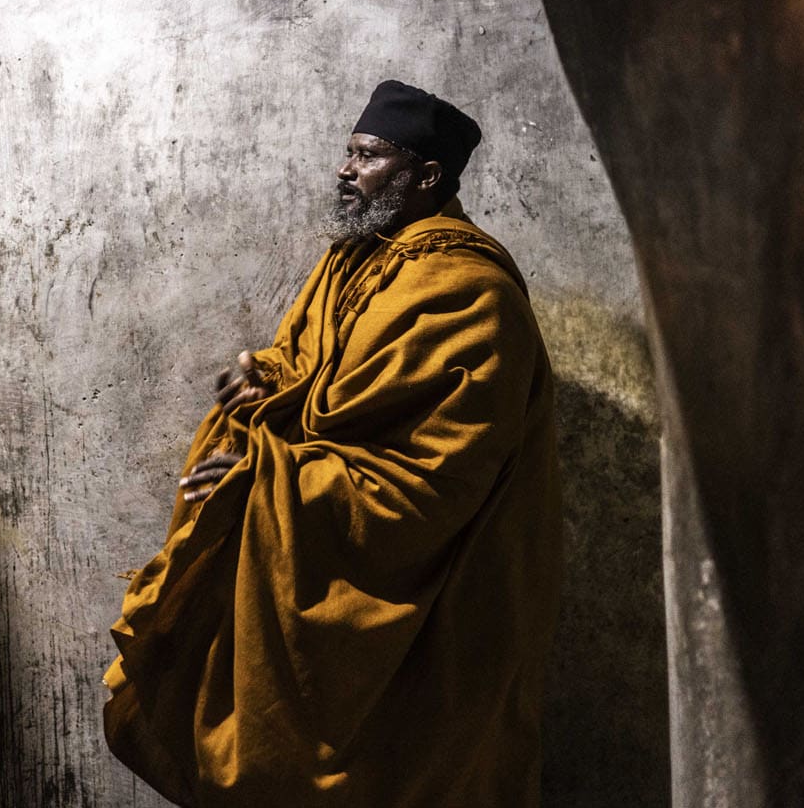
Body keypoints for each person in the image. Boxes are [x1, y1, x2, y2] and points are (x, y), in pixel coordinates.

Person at [103, 79, 561, 806]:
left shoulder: (473, 295)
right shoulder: (352, 260)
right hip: (317, 587)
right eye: (347, 152)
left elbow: (425, 489)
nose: (346, 170)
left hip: (431, 620)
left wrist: (269, 477)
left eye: (370, 155)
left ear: (428, 177)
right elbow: (308, 367)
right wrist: (263, 383)